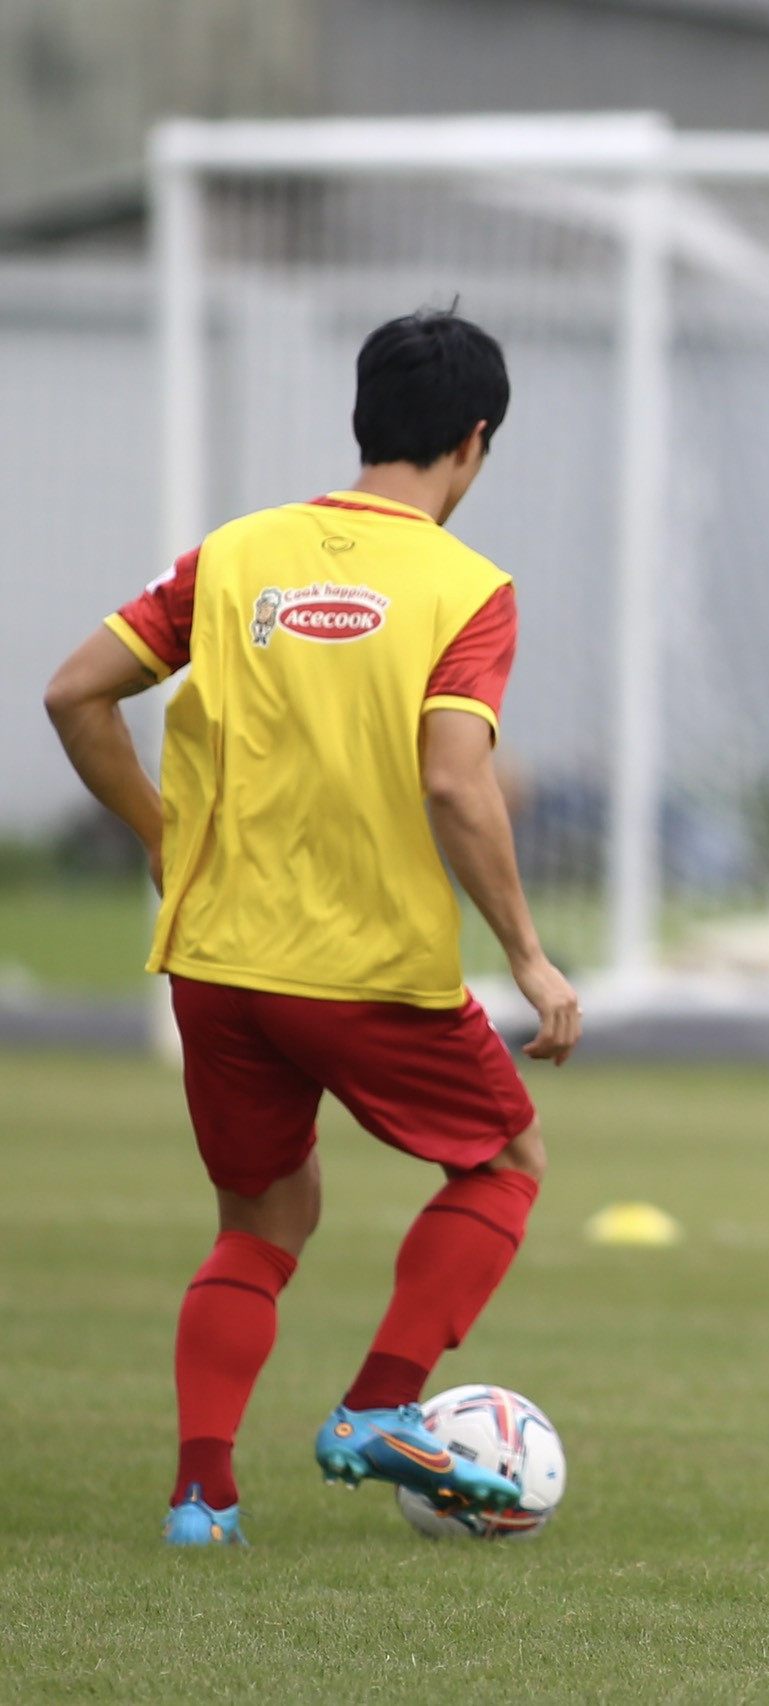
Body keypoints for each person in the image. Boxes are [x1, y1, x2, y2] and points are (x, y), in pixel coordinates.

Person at [42, 309, 582, 1546]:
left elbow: (75, 693)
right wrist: (529, 953)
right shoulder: (467, 586)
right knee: (503, 1162)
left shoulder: (234, 556)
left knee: (261, 1223)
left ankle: (201, 1498)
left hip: (216, 963)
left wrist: (164, 834)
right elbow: (457, 779)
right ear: (475, 441)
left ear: (362, 419)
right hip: (367, 966)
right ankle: (377, 1409)